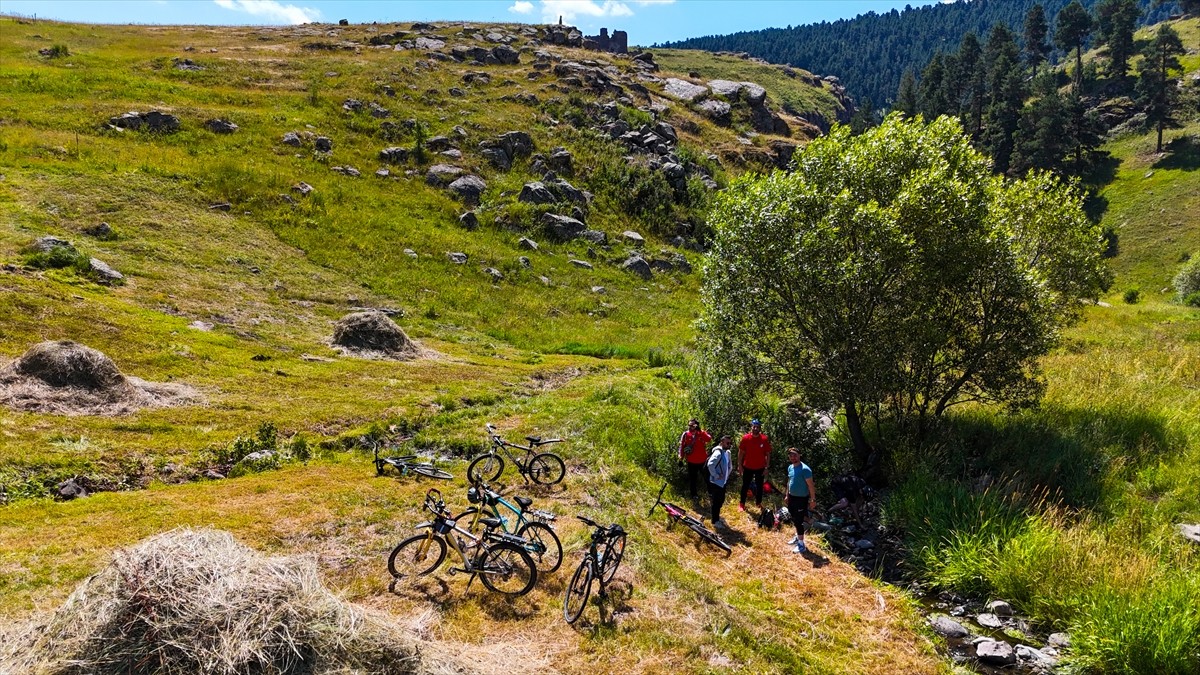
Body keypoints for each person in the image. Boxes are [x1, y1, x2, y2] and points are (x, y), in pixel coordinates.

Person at [785, 447, 817, 553]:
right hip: (792, 497)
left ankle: (801, 545)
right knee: (793, 516)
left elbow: (811, 486)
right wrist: (787, 495)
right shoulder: (790, 467)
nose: (793, 457)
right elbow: (789, 481)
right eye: (791, 455)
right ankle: (798, 537)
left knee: (799, 520)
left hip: (801, 498)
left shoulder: (805, 469)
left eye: (795, 455)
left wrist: (813, 500)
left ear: (799, 455)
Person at [736, 419, 772, 511]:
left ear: (760, 428)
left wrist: (767, 467)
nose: (755, 428)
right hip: (747, 466)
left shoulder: (764, 439)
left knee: (760, 486)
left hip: (760, 467)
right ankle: (742, 504)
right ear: (751, 427)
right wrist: (739, 465)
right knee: (745, 485)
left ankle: (758, 503)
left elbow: (768, 454)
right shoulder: (745, 438)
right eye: (754, 426)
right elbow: (741, 453)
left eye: (757, 427)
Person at [678, 418, 712, 499]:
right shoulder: (686, 434)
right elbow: (682, 446)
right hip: (691, 461)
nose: (690, 427)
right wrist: (680, 458)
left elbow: (709, 439)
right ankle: (694, 495)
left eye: (692, 425)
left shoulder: (701, 433)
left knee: (707, 478)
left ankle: (711, 493)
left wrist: (701, 432)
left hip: (702, 461)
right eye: (689, 425)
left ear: (696, 426)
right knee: (693, 479)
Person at [706, 435, 733, 529]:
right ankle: (715, 521)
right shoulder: (718, 452)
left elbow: (729, 465)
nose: (729, 445)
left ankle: (717, 517)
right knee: (716, 502)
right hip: (716, 483)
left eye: (730, 443)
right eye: (727, 443)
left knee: (721, 501)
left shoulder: (727, 452)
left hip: (723, 482)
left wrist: (727, 475)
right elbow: (710, 464)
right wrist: (716, 476)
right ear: (722, 442)